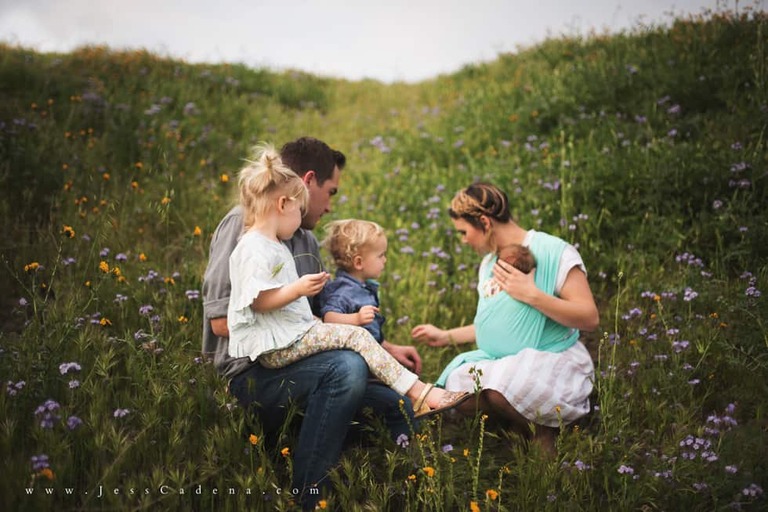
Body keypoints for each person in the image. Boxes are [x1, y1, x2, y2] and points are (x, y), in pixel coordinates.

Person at [202, 136, 418, 509]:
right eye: (331, 192)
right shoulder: (244, 227)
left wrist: (383, 349)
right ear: (306, 183)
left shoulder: (305, 242)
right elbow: (223, 322)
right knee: (346, 367)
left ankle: (406, 491)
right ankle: (311, 497)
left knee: (396, 403)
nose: (331, 206)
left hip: (302, 366)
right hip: (250, 373)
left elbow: (315, 323)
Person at [227, 145, 469, 416]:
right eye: (299, 210)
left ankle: (415, 393)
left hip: (291, 336)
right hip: (280, 346)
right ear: (283, 205)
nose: (300, 218)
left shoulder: (273, 244)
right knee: (356, 335)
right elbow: (258, 301)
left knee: (356, 339)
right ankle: (421, 394)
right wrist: (298, 289)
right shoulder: (253, 247)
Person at [411, 182, 599, 456]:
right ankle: (521, 424)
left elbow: (589, 317)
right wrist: (445, 335)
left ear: (485, 222)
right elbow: (500, 324)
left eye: (464, 232)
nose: (463, 240)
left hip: (550, 357)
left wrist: (532, 294)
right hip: (504, 360)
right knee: (458, 392)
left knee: (501, 387)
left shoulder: (554, 251)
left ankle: (544, 433)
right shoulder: (489, 264)